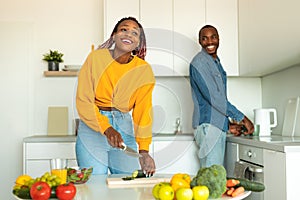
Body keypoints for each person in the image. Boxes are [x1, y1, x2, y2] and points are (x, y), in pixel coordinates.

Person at [75, 16, 156, 176]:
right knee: (95, 186)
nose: (128, 35)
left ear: (138, 42)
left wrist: (144, 150)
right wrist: (107, 128)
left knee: (128, 185)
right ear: (114, 35)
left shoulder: (143, 70)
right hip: (92, 129)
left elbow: (143, 112)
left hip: (124, 128)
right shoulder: (95, 59)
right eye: (123, 30)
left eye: (134, 33)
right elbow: (84, 101)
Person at [189, 25, 254, 168]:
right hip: (209, 128)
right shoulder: (200, 63)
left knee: (213, 175)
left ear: (218, 39)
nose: (209, 42)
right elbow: (215, 98)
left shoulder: (214, 61)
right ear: (200, 41)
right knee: (212, 176)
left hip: (215, 126)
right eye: (204, 38)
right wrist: (242, 118)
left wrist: (227, 125)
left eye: (213, 37)